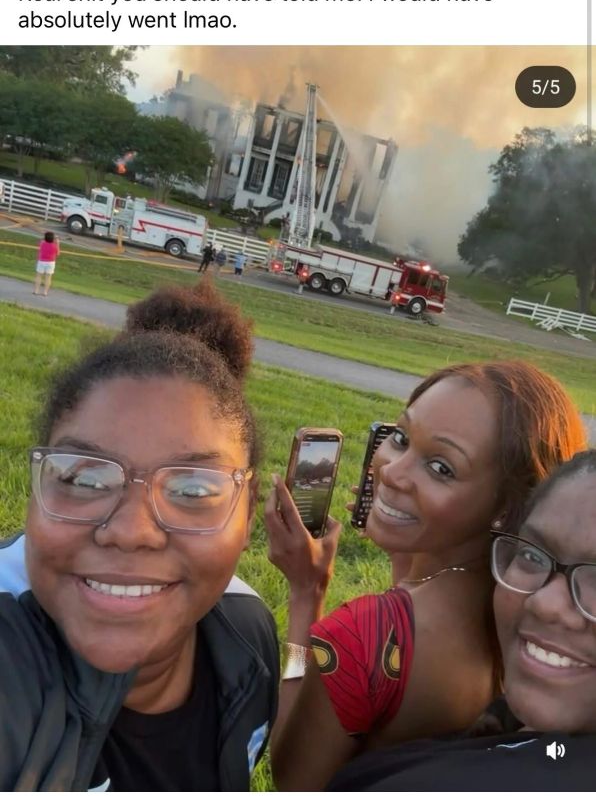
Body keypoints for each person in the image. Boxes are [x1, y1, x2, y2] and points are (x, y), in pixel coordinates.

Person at [0, 280, 279, 791]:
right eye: (85, 479)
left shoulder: (248, 638)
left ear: (248, 510)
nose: (131, 532)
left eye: (193, 489)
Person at [265, 360, 586, 791]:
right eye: (400, 438)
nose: (392, 471)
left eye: (441, 468)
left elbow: (292, 780)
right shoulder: (522, 614)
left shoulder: (364, 636)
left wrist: (307, 592)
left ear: (505, 507)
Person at [328, 450, 596, 791]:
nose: (546, 604)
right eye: (531, 554)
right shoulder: (518, 724)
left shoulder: (353, 638)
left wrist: (305, 601)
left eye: (442, 468)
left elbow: (293, 777)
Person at [33, 230, 60, 296]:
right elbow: (58, 253)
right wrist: (58, 243)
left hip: (41, 261)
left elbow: (41, 239)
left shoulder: (42, 243)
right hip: (51, 262)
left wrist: (48, 237)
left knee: (39, 276)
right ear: (52, 239)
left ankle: (36, 291)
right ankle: (45, 292)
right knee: (48, 277)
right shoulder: (54, 246)